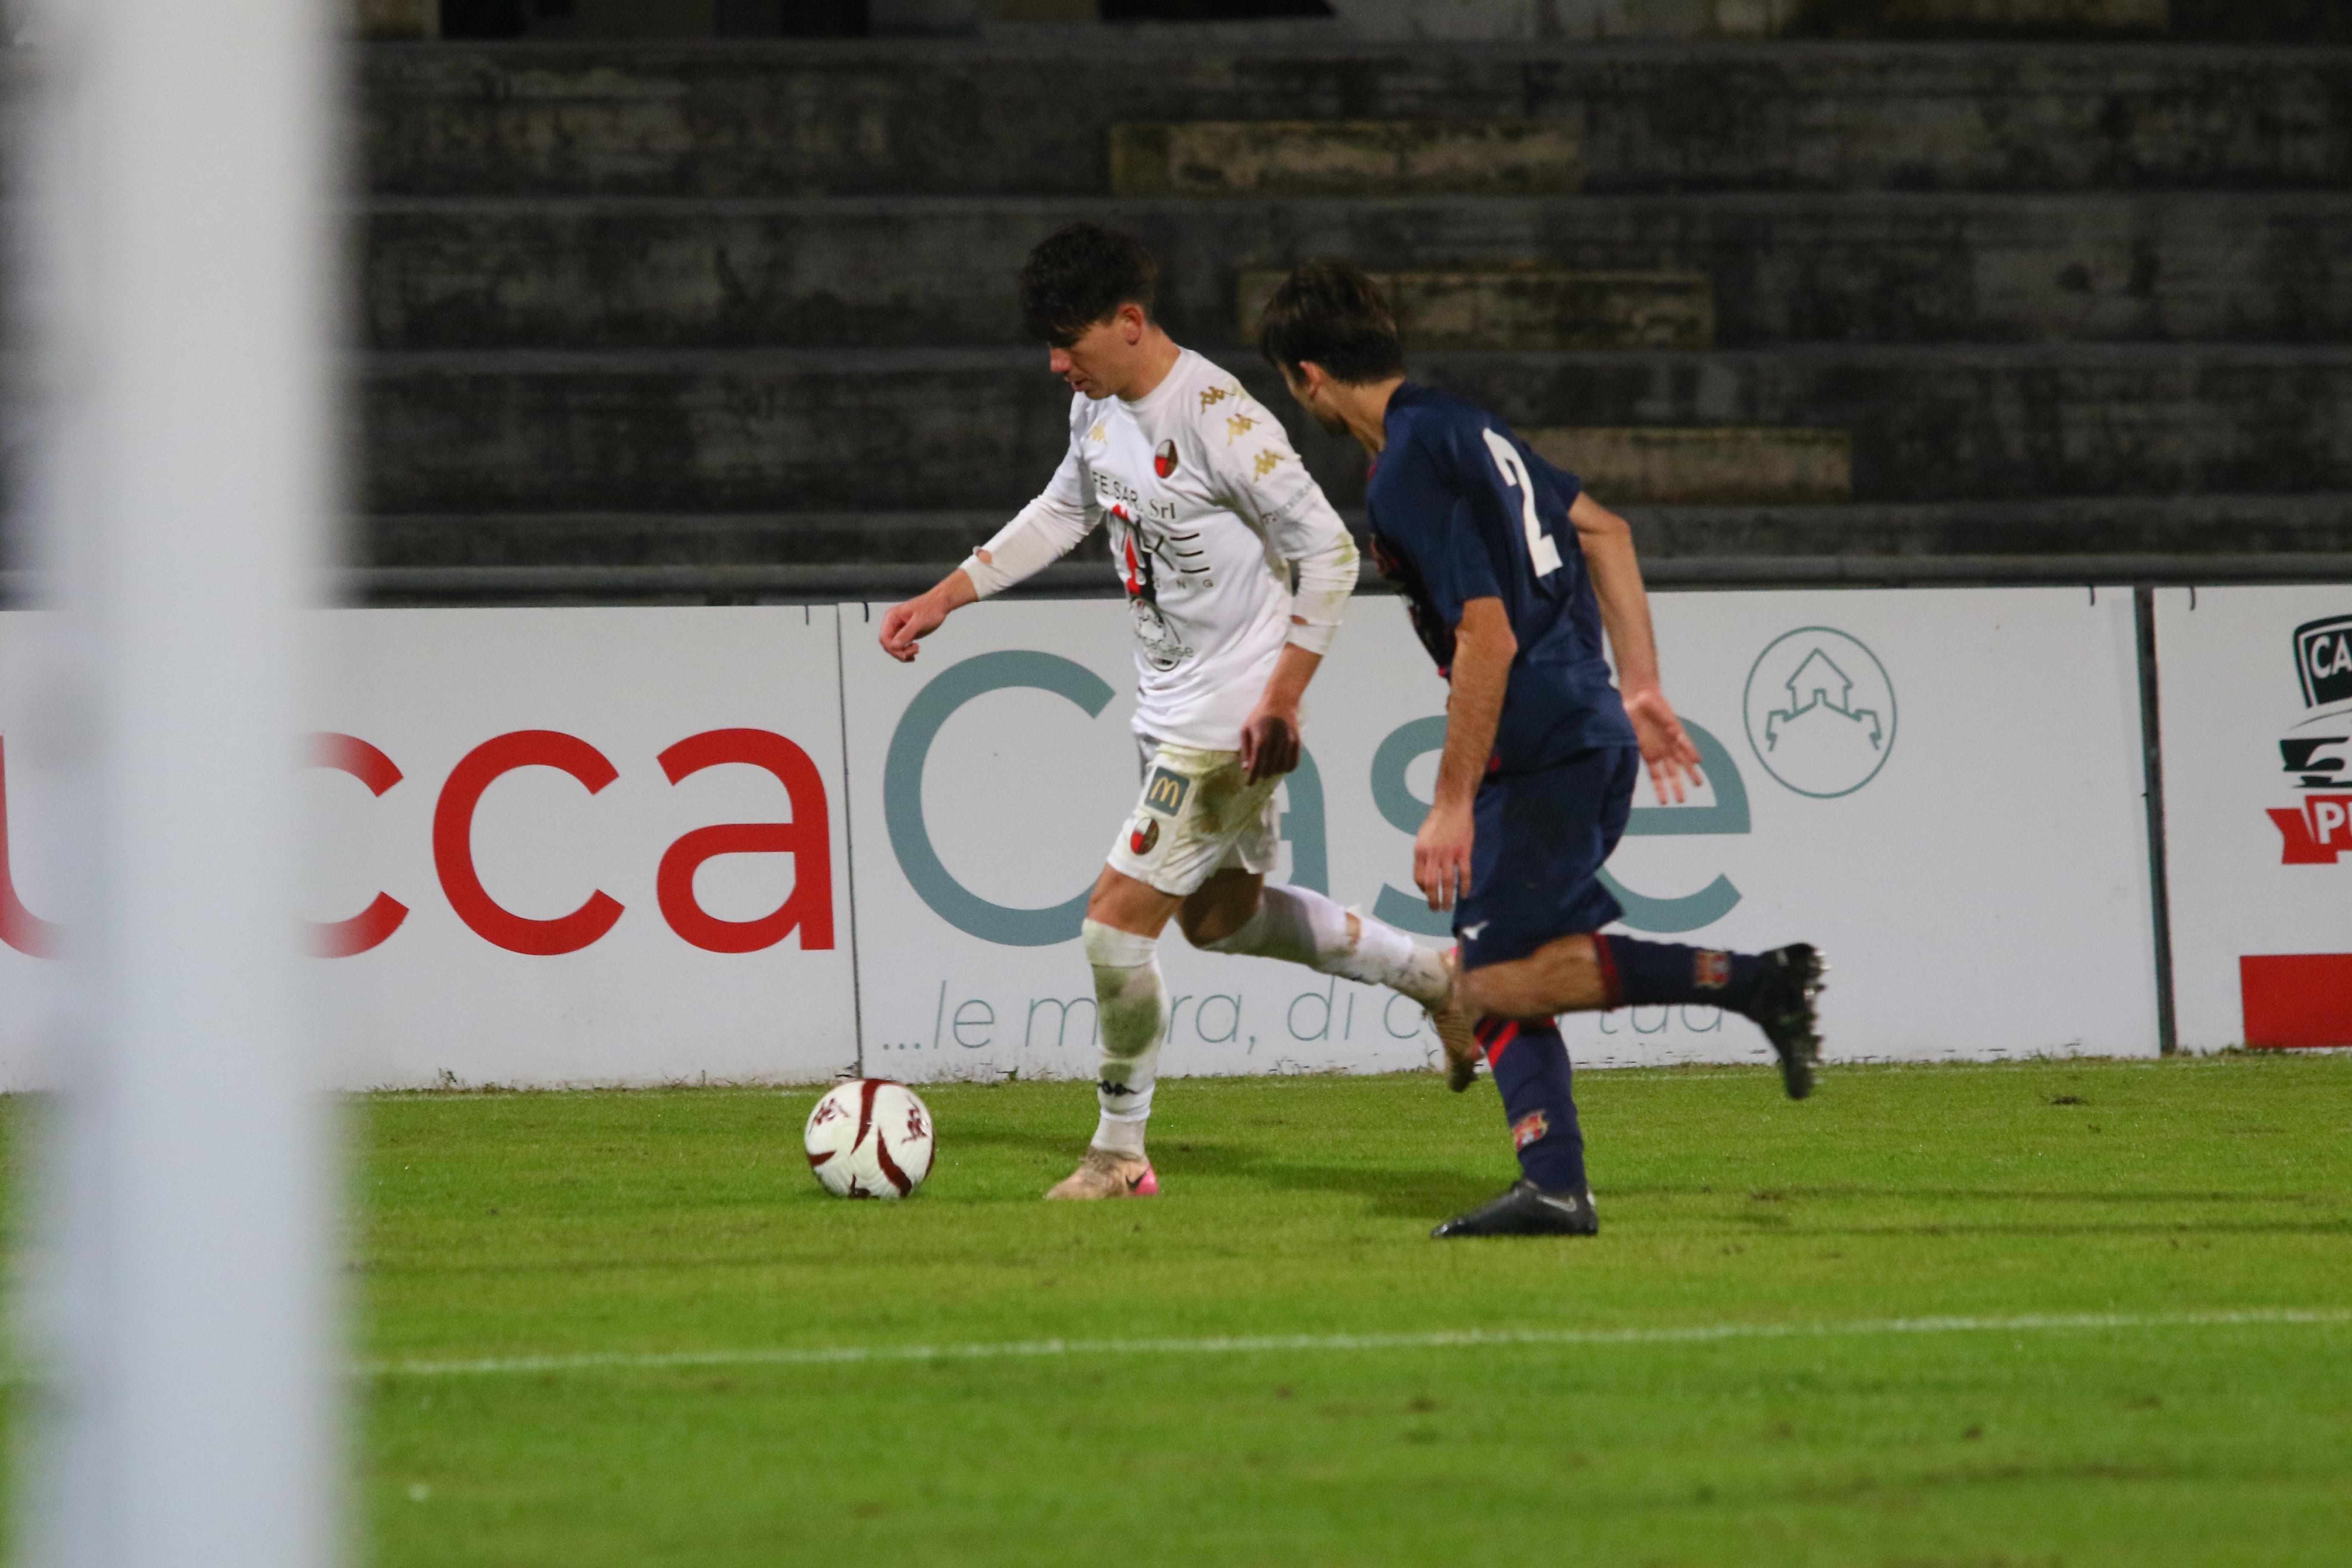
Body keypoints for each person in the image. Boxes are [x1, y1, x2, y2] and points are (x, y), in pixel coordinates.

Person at [879, 224, 1478, 1200]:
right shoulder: (1098, 406)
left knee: (1112, 928)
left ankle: (1120, 1153)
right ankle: (1436, 978)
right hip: (1170, 710)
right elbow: (1065, 509)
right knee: (1220, 919)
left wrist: (1282, 697)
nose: (1057, 363)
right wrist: (949, 594)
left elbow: (1329, 553)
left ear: (1129, 321)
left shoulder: (1218, 419)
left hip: (1230, 724)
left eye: (1069, 342)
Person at [1259, 260, 1825, 1240]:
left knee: (1488, 984)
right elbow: (1606, 532)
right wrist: (1639, 686)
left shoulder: (1406, 467)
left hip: (1543, 743)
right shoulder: (1462, 423)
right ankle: (1553, 1183)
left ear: (1307, 376)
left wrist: (1449, 803)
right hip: (1573, 727)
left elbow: (1487, 635)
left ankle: (1755, 982)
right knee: (1498, 969)